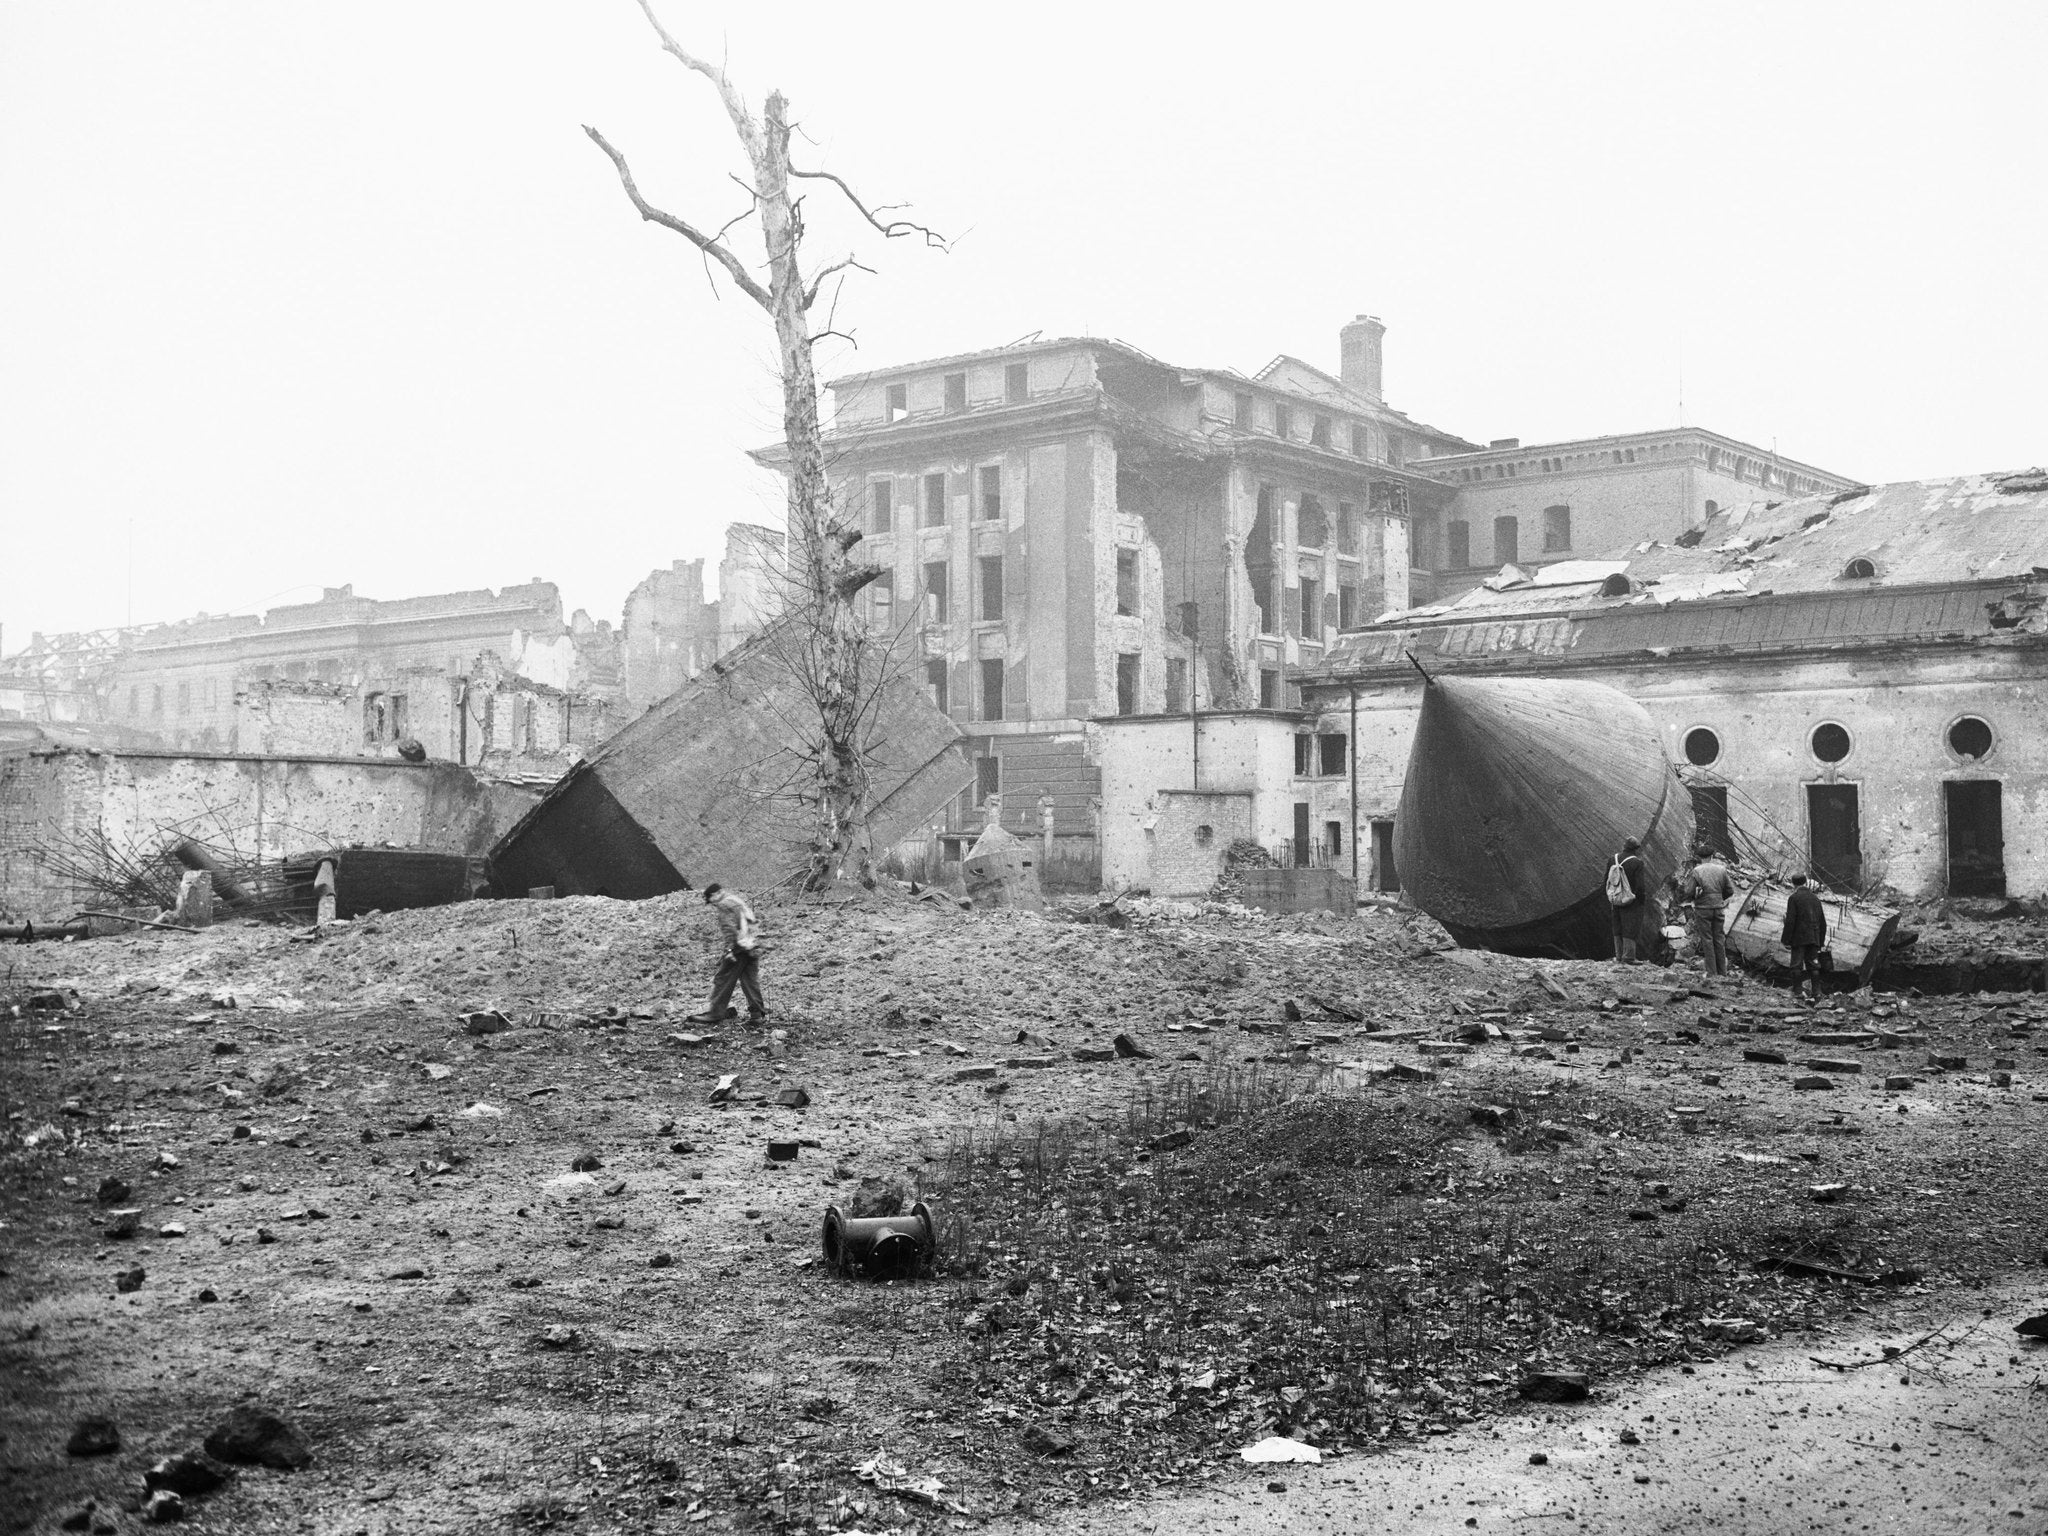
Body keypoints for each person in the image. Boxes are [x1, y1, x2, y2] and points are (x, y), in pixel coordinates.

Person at [686, 883, 765, 1024]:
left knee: (722, 979)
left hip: (738, 947)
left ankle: (715, 1014)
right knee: (749, 981)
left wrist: (729, 950)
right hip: (752, 944)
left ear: (716, 894)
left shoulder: (724, 904)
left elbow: (729, 929)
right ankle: (756, 1015)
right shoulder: (736, 900)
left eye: (710, 900)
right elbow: (752, 921)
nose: (712, 904)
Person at [1685, 844, 1738, 977]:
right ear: (1712, 856)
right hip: (1718, 909)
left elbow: (1689, 891)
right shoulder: (1721, 870)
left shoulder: (1697, 871)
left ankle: (1712, 973)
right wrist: (1719, 899)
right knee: (1719, 939)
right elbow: (1730, 891)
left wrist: (1696, 897)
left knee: (1707, 939)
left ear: (1699, 857)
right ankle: (1722, 972)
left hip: (1703, 909)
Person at [1781, 872, 1828, 1002]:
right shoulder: (1815, 899)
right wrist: (1821, 941)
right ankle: (1817, 993)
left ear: (1793, 884)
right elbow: (1822, 922)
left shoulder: (1793, 898)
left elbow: (1790, 921)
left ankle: (1798, 992)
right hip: (1813, 938)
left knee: (1796, 965)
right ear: (1806, 882)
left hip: (1798, 938)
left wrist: (1785, 939)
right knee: (1814, 965)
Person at [1608, 837, 1648, 963]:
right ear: (1636, 849)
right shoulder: (1637, 863)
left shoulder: (1612, 860)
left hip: (1616, 898)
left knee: (1617, 926)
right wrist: (1640, 900)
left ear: (1624, 846)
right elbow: (1640, 886)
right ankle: (1629, 957)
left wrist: (1612, 897)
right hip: (1631, 900)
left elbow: (1607, 880)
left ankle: (1618, 955)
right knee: (1630, 927)